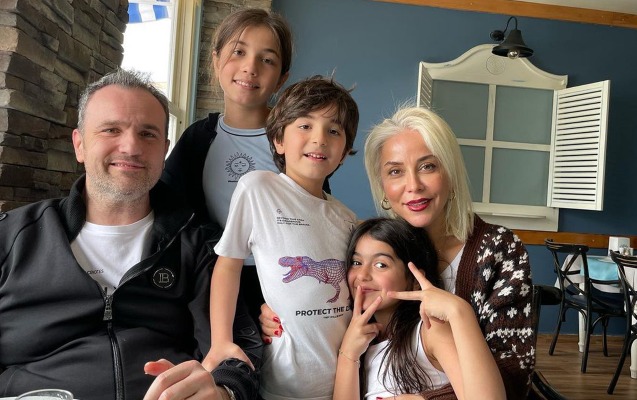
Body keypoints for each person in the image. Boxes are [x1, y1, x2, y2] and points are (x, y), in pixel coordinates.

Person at [0, 69, 260, 400]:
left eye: (147, 134)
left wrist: (224, 391)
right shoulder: (10, 238)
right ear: (79, 144)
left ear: (164, 150)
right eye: (111, 130)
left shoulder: (200, 245)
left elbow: (240, 350)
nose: (131, 146)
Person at [262, 106, 534, 399]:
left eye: (428, 166)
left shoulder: (498, 248)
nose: (413, 185)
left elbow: (514, 374)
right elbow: (329, 299)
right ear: (383, 187)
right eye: (395, 172)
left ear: (451, 173)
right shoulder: (372, 243)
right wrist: (283, 315)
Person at [204, 75, 359, 400]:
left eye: (333, 131)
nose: (319, 139)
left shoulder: (347, 218)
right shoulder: (258, 187)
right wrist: (221, 341)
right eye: (305, 125)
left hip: (346, 380)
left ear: (344, 152)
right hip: (283, 384)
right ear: (278, 140)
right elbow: (228, 265)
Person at [160, 7, 307, 324]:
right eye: (239, 52)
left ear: (281, 78)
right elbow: (168, 206)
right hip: (211, 283)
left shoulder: (296, 140)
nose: (250, 67)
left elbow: (314, 212)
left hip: (284, 284)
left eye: (267, 59)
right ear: (216, 60)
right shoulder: (197, 139)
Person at [333, 218, 505, 400]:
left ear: (415, 280)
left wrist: (458, 311)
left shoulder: (431, 329)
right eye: (356, 262)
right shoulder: (360, 342)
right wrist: (348, 354)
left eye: (381, 264)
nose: (362, 275)